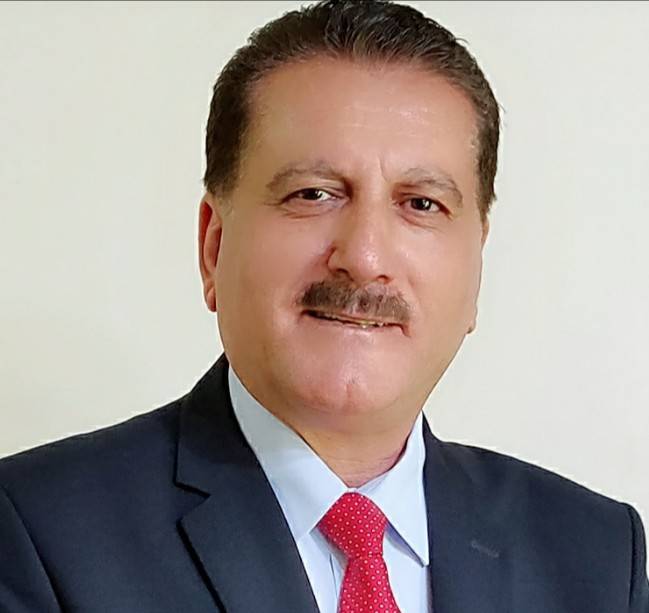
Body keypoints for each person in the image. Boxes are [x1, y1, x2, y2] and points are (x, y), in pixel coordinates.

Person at [1, 0, 647, 611]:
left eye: (421, 204)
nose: (363, 257)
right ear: (213, 246)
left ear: (476, 264)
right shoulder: (38, 535)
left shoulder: (595, 556)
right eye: (313, 194)